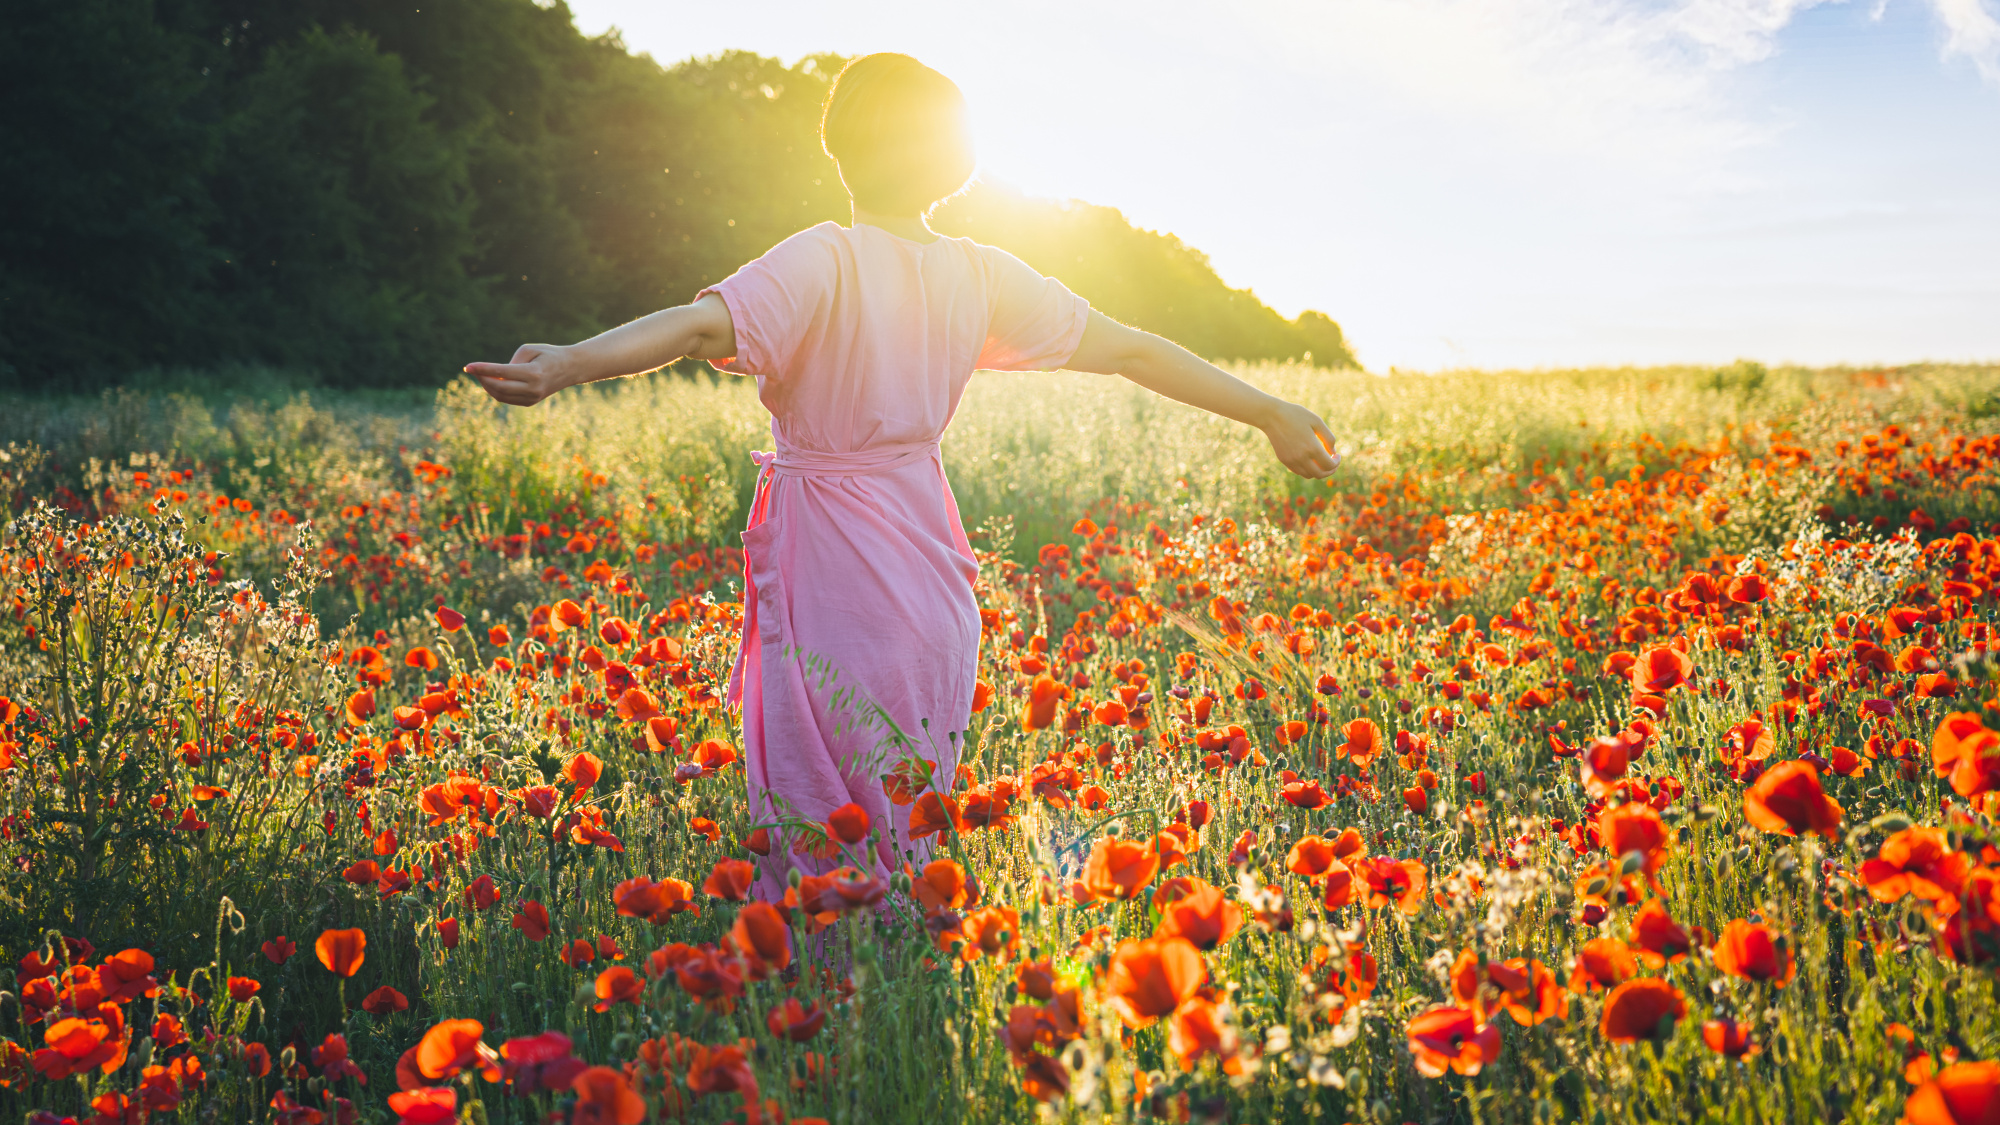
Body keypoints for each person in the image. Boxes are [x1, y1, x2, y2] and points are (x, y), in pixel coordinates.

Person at [465, 53, 1340, 902]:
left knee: (825, 822)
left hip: (837, 567)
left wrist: (570, 363)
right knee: (905, 821)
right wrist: (1268, 410)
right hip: (930, 577)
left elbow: (698, 330)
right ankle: (899, 998)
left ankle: (833, 1009)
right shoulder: (982, 275)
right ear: (953, 166)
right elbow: (1133, 349)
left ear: (837, 145)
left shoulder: (823, 258)